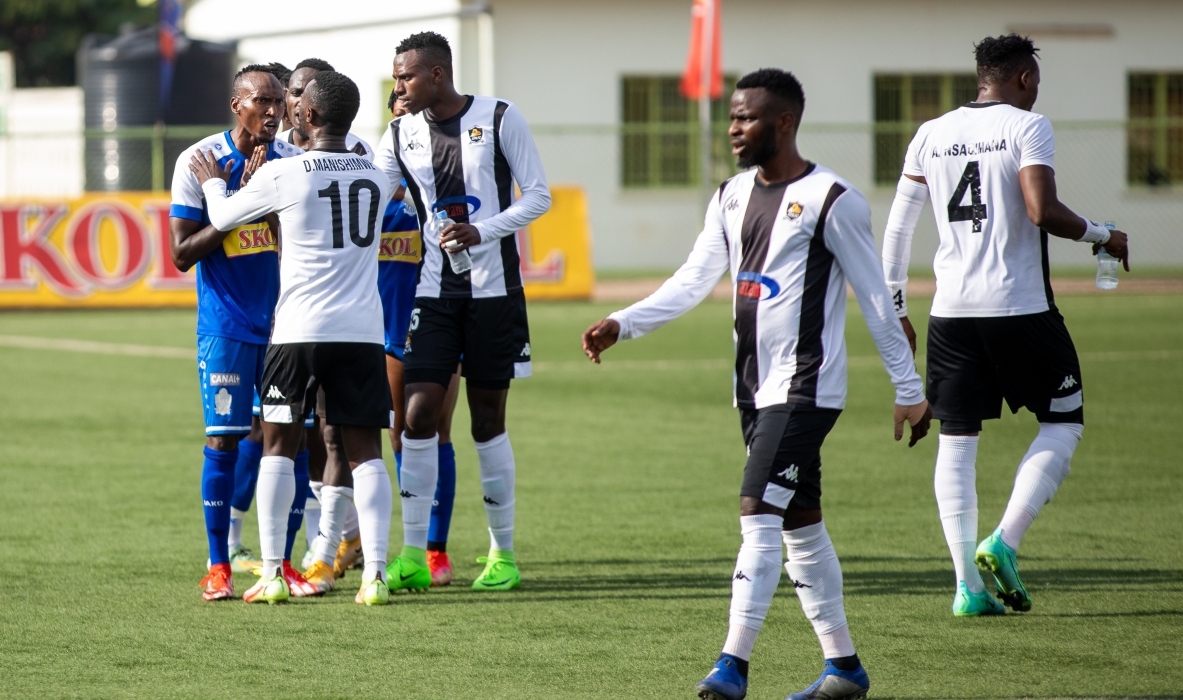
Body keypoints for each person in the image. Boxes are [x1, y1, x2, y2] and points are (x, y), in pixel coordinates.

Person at [582, 69, 932, 700]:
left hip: (805, 389)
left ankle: (731, 666)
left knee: (757, 512)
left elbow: (876, 299)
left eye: (746, 118)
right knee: (801, 523)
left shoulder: (832, 198)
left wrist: (908, 386)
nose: (734, 129)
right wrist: (623, 323)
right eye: (732, 117)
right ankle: (845, 668)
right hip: (753, 389)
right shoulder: (730, 196)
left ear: (784, 123)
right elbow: (694, 279)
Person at [880, 34, 1130, 616]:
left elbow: (896, 232)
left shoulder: (929, 132)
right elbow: (1043, 211)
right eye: (1035, 80)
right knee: (1063, 422)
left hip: (950, 314)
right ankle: (1004, 541)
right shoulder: (1028, 125)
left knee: (957, 442)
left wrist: (897, 311)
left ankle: (966, 587)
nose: (1037, 89)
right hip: (1019, 307)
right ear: (1021, 78)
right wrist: (1103, 234)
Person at [192, 70, 395, 606]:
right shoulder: (378, 176)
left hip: (299, 330)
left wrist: (215, 180)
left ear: (306, 116)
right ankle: (375, 576)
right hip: (362, 331)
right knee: (366, 454)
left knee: (278, 448)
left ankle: (275, 574)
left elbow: (223, 215)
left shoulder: (287, 172)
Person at [375, 31, 550, 593]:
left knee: (486, 422)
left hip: (495, 295)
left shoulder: (500, 117)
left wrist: (482, 231)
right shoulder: (399, 132)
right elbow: (374, 198)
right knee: (417, 417)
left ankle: (502, 554)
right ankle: (412, 554)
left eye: (405, 76)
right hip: (434, 294)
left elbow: (538, 196)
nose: (397, 86)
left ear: (436, 75)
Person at [168, 64, 305, 601]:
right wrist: (229, 203)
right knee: (223, 439)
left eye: (280, 102)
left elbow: (304, 241)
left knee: (291, 440)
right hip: (226, 323)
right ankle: (218, 563)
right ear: (236, 104)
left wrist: (257, 204)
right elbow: (181, 254)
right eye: (263, 101)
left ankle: (284, 563)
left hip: (291, 322)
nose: (274, 112)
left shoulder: (295, 163)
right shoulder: (199, 162)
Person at [378, 89, 462, 587]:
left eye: (415, 112)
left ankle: (436, 551)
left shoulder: (446, 189)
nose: (407, 119)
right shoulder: (370, 191)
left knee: (437, 432)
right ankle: (407, 547)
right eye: (400, 112)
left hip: (441, 322)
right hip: (387, 331)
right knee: (397, 434)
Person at [279, 59, 373, 158]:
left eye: (311, 94)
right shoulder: (273, 147)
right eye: (296, 93)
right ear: (285, 96)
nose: (302, 102)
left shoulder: (357, 149)